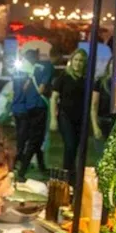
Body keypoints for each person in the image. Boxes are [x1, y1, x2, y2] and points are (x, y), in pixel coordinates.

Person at [49, 49, 92, 178]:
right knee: (70, 145)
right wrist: (53, 119)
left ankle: (71, 175)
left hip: (80, 118)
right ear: (71, 61)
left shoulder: (87, 79)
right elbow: (54, 98)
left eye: (81, 61)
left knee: (76, 148)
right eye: (76, 60)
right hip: (65, 116)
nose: (78, 63)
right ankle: (67, 176)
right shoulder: (64, 77)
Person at [11, 49, 50, 180]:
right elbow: (28, 89)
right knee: (27, 140)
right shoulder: (30, 71)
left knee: (31, 138)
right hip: (25, 108)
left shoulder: (17, 72)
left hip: (17, 108)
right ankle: (15, 166)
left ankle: (41, 165)